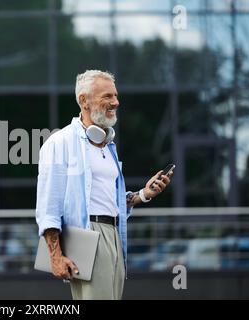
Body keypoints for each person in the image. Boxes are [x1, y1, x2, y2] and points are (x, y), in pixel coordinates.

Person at [35, 70, 173, 300]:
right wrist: (55, 256)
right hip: (88, 236)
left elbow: (108, 198)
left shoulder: (108, 145)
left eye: (116, 96)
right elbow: (48, 204)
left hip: (115, 234)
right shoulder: (60, 142)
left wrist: (143, 195)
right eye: (107, 96)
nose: (115, 102)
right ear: (83, 101)